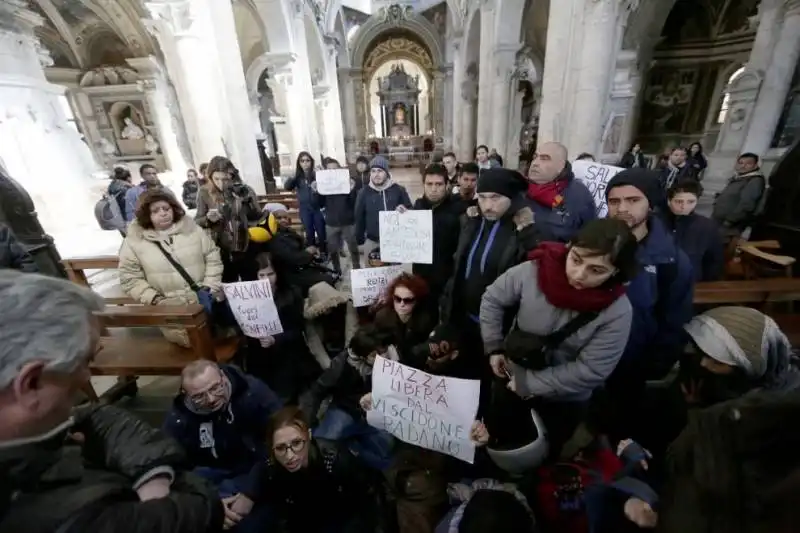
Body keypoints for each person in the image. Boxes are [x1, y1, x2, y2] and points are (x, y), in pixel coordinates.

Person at [0, 271, 223, 533]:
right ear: (32, 383)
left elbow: (96, 415)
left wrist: (153, 473)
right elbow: (201, 507)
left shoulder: (30, 428)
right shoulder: (80, 519)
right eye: (83, 362)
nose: (87, 374)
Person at [481, 218, 637, 457]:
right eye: (576, 259)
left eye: (597, 270)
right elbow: (493, 299)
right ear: (569, 247)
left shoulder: (617, 311)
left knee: (547, 453)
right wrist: (493, 347)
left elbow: (592, 370)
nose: (579, 274)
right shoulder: (534, 270)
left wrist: (530, 383)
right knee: (504, 442)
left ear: (616, 271)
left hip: (563, 401)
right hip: (511, 379)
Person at [603, 168, 694, 440]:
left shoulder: (670, 260)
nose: (622, 208)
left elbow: (674, 319)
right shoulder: (594, 243)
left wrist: (654, 365)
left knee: (618, 426)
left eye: (633, 200)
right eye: (614, 201)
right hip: (585, 357)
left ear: (650, 204)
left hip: (632, 363)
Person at [222, 407, 376, 533]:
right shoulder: (272, 461)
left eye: (296, 443)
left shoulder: (335, 460)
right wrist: (249, 494)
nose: (290, 456)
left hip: (335, 514)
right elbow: (261, 469)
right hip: (295, 514)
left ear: (308, 437)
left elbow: (365, 503)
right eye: (281, 448)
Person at [118, 190, 224, 346]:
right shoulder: (134, 241)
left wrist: (210, 285)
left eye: (166, 209)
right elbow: (130, 278)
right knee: (187, 347)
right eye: (155, 211)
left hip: (204, 301)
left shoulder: (192, 229)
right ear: (146, 214)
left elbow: (212, 256)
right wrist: (155, 299)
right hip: (171, 311)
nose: (163, 213)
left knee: (215, 342)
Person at [162, 361, 282, 496]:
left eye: (215, 388)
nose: (211, 399)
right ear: (186, 394)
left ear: (223, 377)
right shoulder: (179, 417)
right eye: (199, 396)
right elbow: (168, 460)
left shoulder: (254, 394)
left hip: (253, 469)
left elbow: (280, 435)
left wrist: (250, 493)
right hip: (207, 476)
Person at [300, 324, 395, 470]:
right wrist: (306, 424)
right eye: (374, 355)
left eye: (383, 352)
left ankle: (355, 452)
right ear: (362, 355)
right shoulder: (340, 365)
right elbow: (316, 392)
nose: (382, 358)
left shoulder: (393, 359)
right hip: (346, 410)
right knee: (321, 446)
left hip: (377, 413)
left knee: (385, 449)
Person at [243, 252, 322, 403]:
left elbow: (298, 329)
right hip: (259, 356)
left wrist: (275, 339)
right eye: (261, 275)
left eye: (270, 274)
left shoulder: (292, 294)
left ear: (278, 273)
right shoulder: (248, 296)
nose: (267, 280)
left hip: (287, 353)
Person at [405, 164, 465, 307]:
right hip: (421, 275)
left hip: (447, 277)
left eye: (438, 184)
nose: (433, 189)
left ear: (447, 185)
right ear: (423, 185)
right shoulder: (418, 206)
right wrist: (401, 217)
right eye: (429, 184)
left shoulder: (458, 209)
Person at [195, 156, 261, 282]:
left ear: (232, 176)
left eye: (225, 179)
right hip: (222, 247)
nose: (221, 183)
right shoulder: (204, 192)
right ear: (210, 177)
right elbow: (197, 221)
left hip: (246, 243)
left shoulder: (244, 190)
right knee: (229, 283)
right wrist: (208, 219)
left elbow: (257, 214)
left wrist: (246, 202)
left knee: (251, 280)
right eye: (216, 179)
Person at [526, 142, 597, 242]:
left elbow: (590, 237)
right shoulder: (518, 188)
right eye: (535, 157)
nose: (535, 163)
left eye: (545, 159)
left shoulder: (579, 196)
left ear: (561, 166)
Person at [663, 180, 724, 282]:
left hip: (691, 281)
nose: (684, 207)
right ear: (669, 201)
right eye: (679, 201)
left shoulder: (707, 226)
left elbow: (713, 260)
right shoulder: (655, 223)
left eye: (691, 202)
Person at [374, 273, 437, 366]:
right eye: (397, 299)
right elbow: (378, 343)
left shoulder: (425, 319)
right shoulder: (382, 317)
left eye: (408, 300)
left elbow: (428, 344)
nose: (402, 304)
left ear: (416, 301)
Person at [354, 155, 412, 255]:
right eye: (373, 171)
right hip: (372, 241)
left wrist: (404, 210)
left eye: (380, 171)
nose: (376, 174)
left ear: (387, 173)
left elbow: (410, 210)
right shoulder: (363, 193)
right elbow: (359, 217)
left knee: (394, 270)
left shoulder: (398, 190)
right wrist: (359, 240)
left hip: (395, 241)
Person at [319, 157, 361, 273]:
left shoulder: (347, 183)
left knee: (353, 247)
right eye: (329, 170)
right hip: (331, 222)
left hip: (348, 221)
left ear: (340, 170)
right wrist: (316, 191)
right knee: (332, 250)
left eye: (335, 169)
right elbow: (319, 203)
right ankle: (337, 271)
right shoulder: (325, 185)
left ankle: (357, 270)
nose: (332, 172)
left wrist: (352, 190)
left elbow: (354, 203)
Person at [711, 152, 766, 238]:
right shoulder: (739, 177)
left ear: (755, 166)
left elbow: (747, 204)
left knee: (719, 246)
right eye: (741, 163)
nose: (743, 166)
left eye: (748, 164)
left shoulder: (754, 180)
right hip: (718, 220)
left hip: (729, 224)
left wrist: (730, 220)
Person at [284, 152, 326, 251]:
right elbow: (287, 187)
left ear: (311, 162)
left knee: (321, 232)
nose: (305, 163)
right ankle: (312, 254)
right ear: (299, 163)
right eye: (302, 161)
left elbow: (325, 189)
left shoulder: (316, 175)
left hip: (317, 208)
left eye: (307, 160)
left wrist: (322, 174)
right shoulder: (298, 177)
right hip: (304, 209)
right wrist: (294, 176)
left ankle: (324, 252)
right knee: (309, 233)